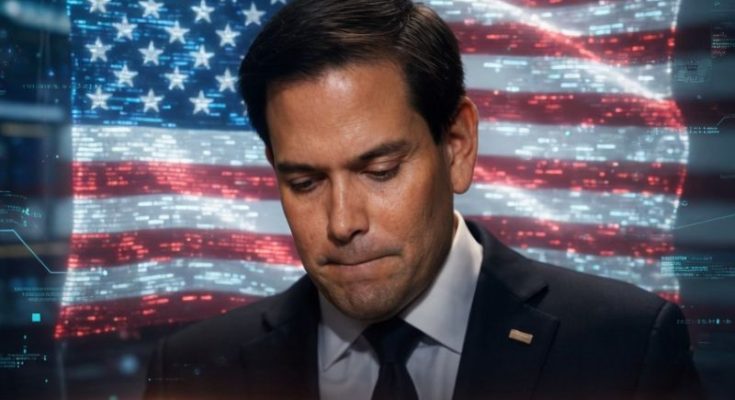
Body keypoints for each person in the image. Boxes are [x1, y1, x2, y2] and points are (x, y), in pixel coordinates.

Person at [144, 1, 704, 399]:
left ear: (457, 146)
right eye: (305, 182)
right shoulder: (192, 369)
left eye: (380, 171)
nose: (342, 222)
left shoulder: (626, 348)